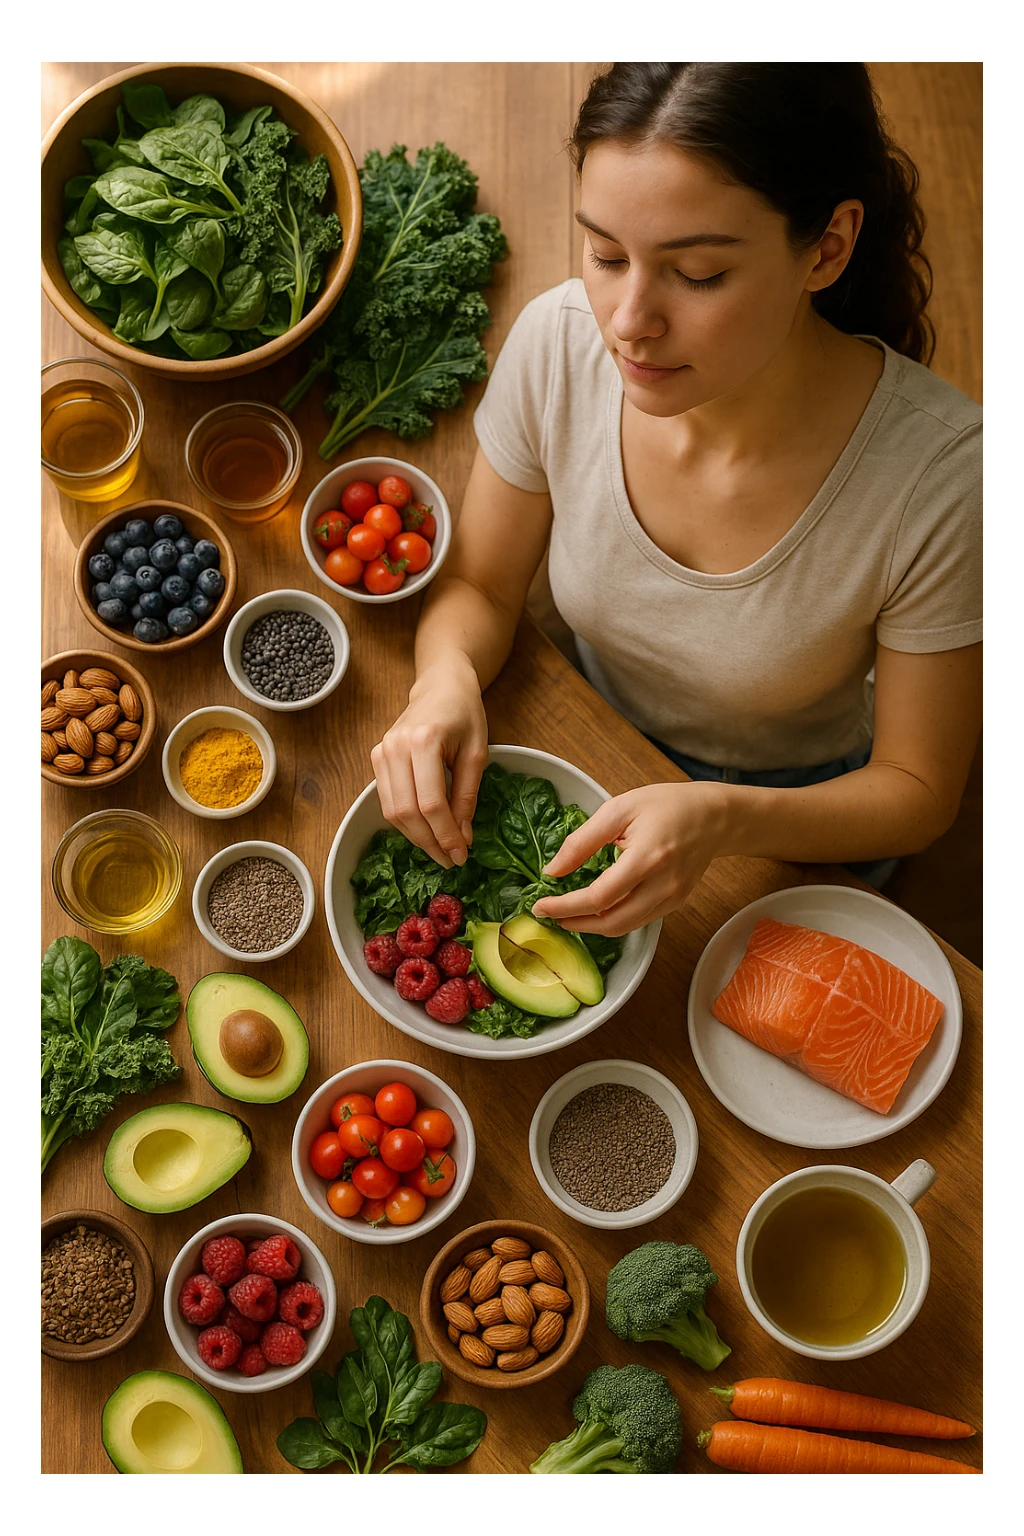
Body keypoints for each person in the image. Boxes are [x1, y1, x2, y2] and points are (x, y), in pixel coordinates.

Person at [370, 62, 981, 940]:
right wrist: (445, 680)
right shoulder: (556, 345)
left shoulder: (946, 476)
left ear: (828, 247)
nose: (627, 321)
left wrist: (723, 816)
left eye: (695, 273)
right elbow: (481, 588)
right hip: (579, 739)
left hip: (796, 822)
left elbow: (918, 795)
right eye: (606, 254)